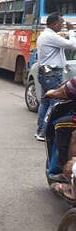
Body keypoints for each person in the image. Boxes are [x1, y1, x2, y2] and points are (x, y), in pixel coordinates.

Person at [34, 13, 76, 141]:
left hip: (47, 73)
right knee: (55, 103)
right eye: (61, 23)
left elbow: (59, 52)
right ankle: (45, 132)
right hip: (51, 74)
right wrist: (71, 31)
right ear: (54, 24)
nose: (62, 26)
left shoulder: (46, 35)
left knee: (46, 102)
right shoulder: (50, 36)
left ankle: (40, 130)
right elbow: (72, 45)